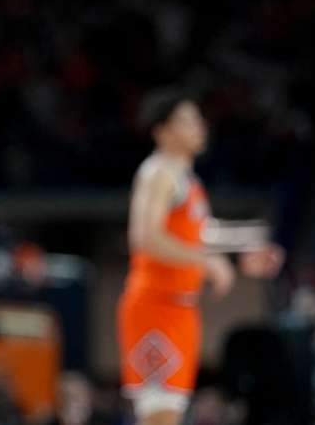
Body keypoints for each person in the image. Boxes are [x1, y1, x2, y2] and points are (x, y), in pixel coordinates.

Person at [117, 89, 282, 425]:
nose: (199, 126)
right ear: (161, 131)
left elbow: (201, 235)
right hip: (155, 307)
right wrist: (208, 262)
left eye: (198, 119)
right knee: (159, 416)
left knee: (170, 414)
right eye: (187, 121)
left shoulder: (188, 181)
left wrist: (243, 250)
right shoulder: (158, 172)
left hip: (180, 309)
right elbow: (145, 237)